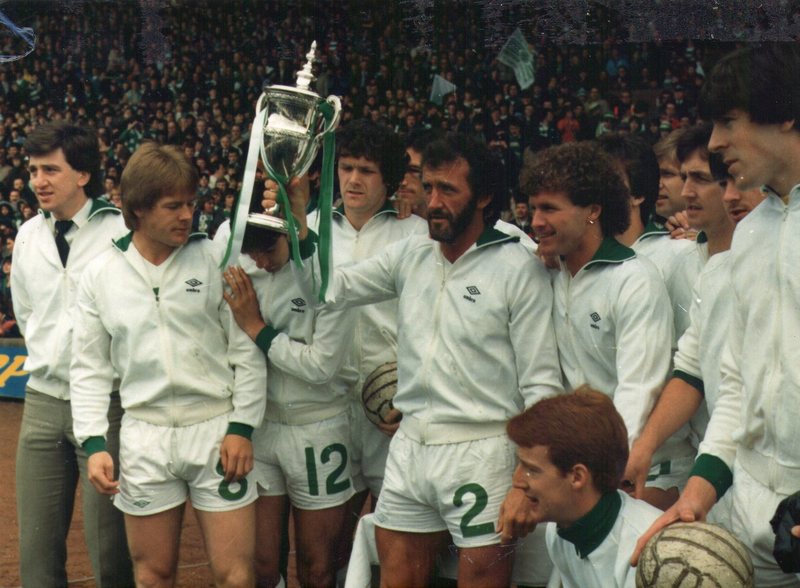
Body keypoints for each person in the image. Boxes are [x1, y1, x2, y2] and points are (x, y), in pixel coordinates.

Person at [269, 132, 562, 586]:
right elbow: (327, 291)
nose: (433, 202)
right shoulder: (413, 253)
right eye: (428, 188)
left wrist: (525, 477)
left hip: (482, 449)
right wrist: (298, 224)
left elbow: (541, 386)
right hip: (408, 447)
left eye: (448, 190)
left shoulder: (518, 266)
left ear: (483, 196)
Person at [632, 43, 800, 588]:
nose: (718, 141)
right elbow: (734, 385)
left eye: (729, 121)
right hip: (745, 506)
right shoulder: (751, 235)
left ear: (787, 114)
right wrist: (697, 496)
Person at [70, 142, 266, 587]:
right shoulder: (100, 274)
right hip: (144, 438)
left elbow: (246, 348)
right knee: (153, 575)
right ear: (137, 210)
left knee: (236, 576)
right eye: (173, 206)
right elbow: (89, 368)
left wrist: (242, 427)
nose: (187, 215)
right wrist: (94, 441)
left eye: (191, 204)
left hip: (215, 432)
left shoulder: (216, 260)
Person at [12, 121, 133, 587]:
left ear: (83, 174)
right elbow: (28, 314)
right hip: (41, 402)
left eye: (50, 170)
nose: (38, 180)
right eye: (34, 170)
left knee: (111, 550)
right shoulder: (27, 236)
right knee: (37, 551)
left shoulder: (121, 231)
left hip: (108, 405)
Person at [306, 120, 427, 575]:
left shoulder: (417, 233)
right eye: (347, 168)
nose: (354, 179)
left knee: (400, 534)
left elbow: (500, 238)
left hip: (392, 409)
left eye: (368, 171)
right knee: (329, 542)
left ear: (392, 180)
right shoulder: (310, 229)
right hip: (325, 405)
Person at [624, 148, 766, 521]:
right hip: (720, 467)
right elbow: (694, 372)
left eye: (703, 178)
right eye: (683, 177)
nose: (687, 191)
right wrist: (643, 446)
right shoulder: (705, 269)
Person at [523, 142, 673, 488]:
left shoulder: (634, 280)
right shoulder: (552, 271)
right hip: (581, 464)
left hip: (634, 469)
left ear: (592, 210)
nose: (536, 222)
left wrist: (604, 470)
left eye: (549, 209)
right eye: (533, 209)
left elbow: (637, 390)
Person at [222, 222, 357, 588]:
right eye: (253, 254)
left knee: (317, 566)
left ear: (291, 236)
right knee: (263, 565)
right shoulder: (232, 251)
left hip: (319, 426)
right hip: (263, 428)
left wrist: (257, 328)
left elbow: (320, 367)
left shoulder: (330, 270)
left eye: (270, 252)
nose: (261, 263)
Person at [508, 388, 662, 588]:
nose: (517, 481)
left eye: (531, 470)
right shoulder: (560, 529)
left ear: (577, 477)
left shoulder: (652, 551)